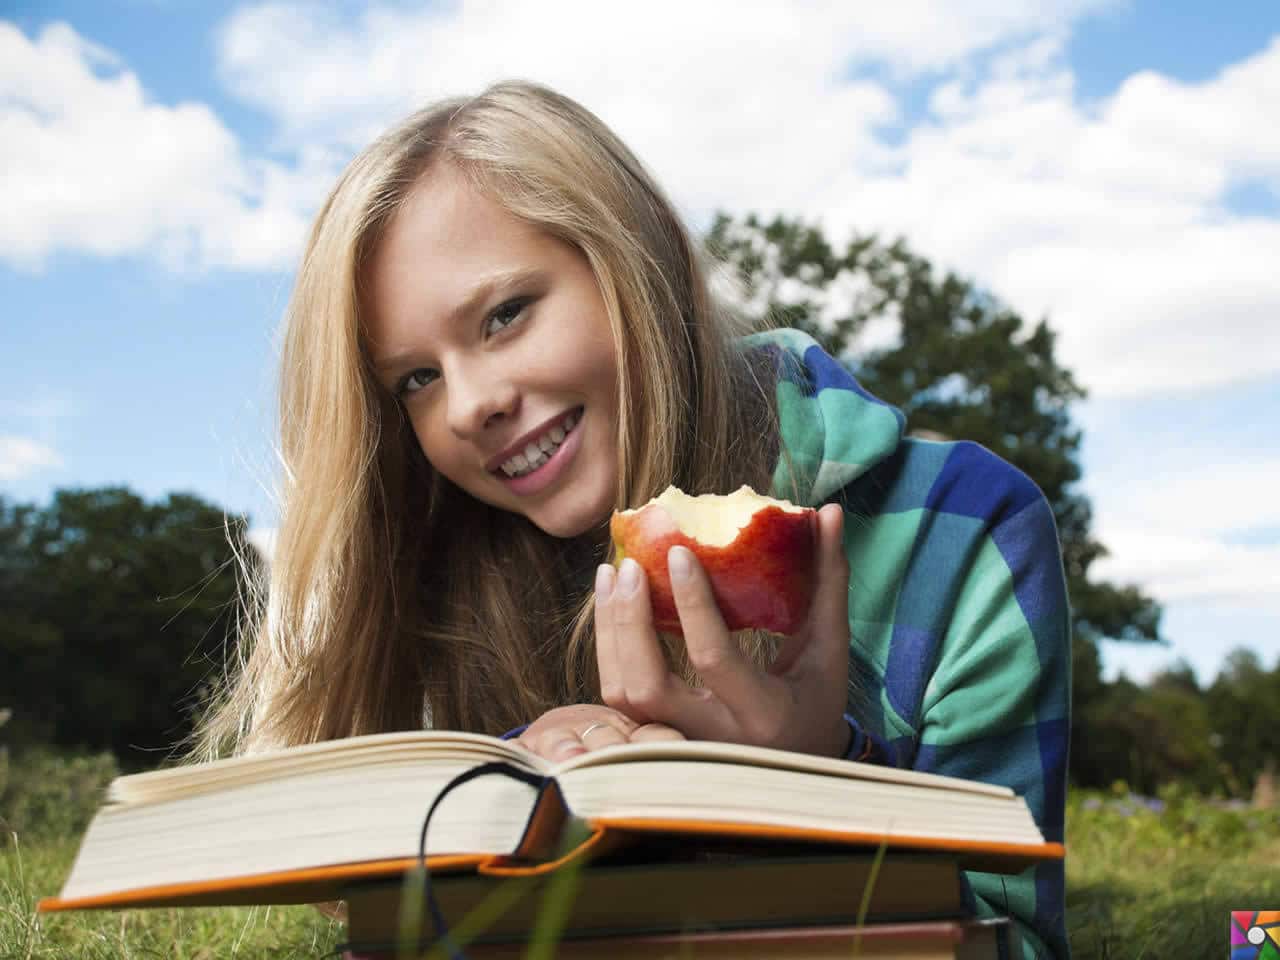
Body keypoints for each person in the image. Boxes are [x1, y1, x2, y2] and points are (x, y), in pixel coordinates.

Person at [194, 80, 1070, 959]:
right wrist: (510, 788)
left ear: (635, 262)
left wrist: (823, 779)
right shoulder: (440, 577)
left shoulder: (965, 529)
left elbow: (1013, 938)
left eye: (505, 315)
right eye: (416, 379)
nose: (467, 406)